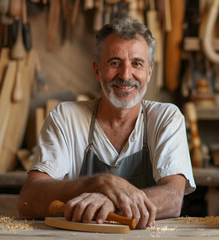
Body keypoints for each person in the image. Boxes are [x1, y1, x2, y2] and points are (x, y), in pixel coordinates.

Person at [17, 17, 196, 229]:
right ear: (96, 70)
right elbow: (28, 201)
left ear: (149, 72)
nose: (125, 75)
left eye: (137, 64)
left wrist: (110, 203)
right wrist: (99, 183)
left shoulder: (166, 118)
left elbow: (173, 198)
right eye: (114, 63)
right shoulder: (65, 118)